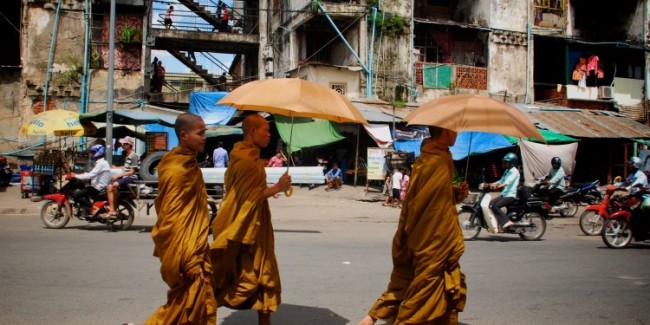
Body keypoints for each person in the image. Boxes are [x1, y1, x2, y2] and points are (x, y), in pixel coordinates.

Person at [357, 126, 468, 325]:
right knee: (423, 291)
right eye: (454, 131)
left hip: (419, 231)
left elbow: (428, 196)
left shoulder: (428, 156)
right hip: (434, 237)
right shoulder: (439, 159)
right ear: (446, 131)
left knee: (409, 281)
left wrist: (455, 193)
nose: (457, 135)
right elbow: (429, 203)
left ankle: (370, 319)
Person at [210, 113, 292, 325]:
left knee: (265, 272)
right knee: (247, 276)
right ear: (251, 131)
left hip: (256, 222)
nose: (268, 134)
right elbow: (250, 197)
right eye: (265, 129)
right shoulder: (246, 160)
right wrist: (277, 188)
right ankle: (206, 303)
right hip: (246, 226)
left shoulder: (246, 155)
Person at [142, 113, 216, 324]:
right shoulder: (176, 168)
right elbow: (171, 218)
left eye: (205, 133)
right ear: (184, 135)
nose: (204, 138)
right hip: (188, 252)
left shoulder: (189, 163)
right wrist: (190, 259)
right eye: (200, 133)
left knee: (189, 308)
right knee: (188, 306)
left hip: (196, 245)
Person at [71, 144, 111, 219]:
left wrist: (75, 176)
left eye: (92, 152)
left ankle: (90, 208)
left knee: (76, 195)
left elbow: (91, 175)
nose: (90, 154)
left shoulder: (101, 164)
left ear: (98, 153)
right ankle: (86, 210)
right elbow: (91, 174)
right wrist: (81, 175)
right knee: (84, 190)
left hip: (98, 188)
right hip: (97, 186)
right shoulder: (100, 163)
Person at [105, 137, 139, 217]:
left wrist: (118, 175)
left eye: (124, 144)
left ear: (129, 145)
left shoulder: (134, 156)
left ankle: (113, 208)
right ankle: (112, 209)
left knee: (115, 185)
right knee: (109, 187)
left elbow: (132, 172)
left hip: (132, 177)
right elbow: (125, 167)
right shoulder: (126, 155)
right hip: (125, 176)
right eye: (123, 144)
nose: (122, 145)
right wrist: (116, 167)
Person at [489, 152, 520, 230]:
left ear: (512, 163)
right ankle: (497, 222)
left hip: (510, 195)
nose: (504, 163)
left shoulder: (514, 171)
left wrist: (498, 187)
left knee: (495, 206)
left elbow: (507, 182)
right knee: (490, 204)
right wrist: (490, 184)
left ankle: (507, 222)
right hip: (505, 194)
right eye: (504, 162)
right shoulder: (507, 171)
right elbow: (501, 180)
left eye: (506, 162)